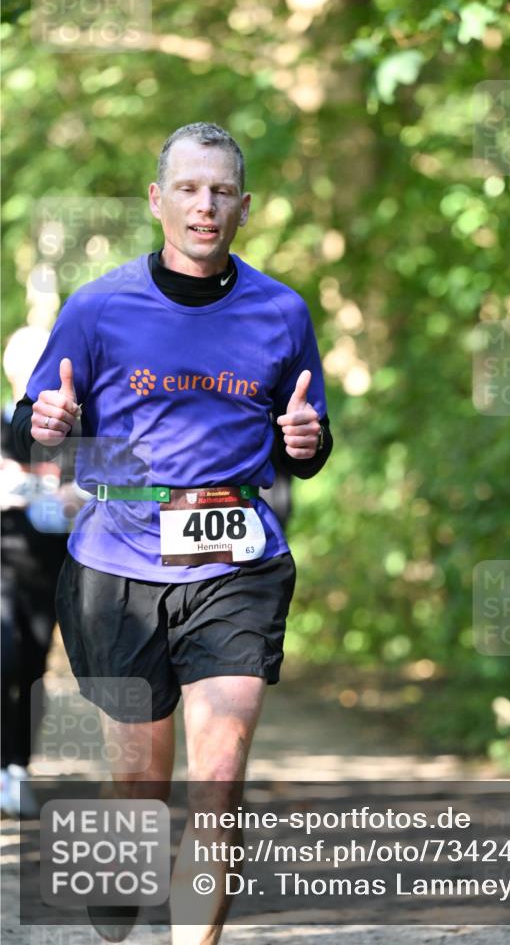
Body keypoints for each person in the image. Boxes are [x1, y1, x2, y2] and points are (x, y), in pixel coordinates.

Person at [11, 122, 333, 943]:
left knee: (217, 784)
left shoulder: (281, 311)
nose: (205, 206)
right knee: (139, 791)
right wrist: (44, 422)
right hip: (117, 568)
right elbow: (24, 428)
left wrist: (308, 442)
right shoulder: (98, 307)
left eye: (221, 191)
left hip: (236, 565)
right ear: (158, 200)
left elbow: (307, 443)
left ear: (244, 207)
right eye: (188, 188)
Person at [1, 326, 70, 818]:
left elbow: (92, 490)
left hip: (51, 570)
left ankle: (18, 765)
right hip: (2, 564)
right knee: (4, 656)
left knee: (32, 669)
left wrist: (69, 495)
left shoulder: (70, 435)